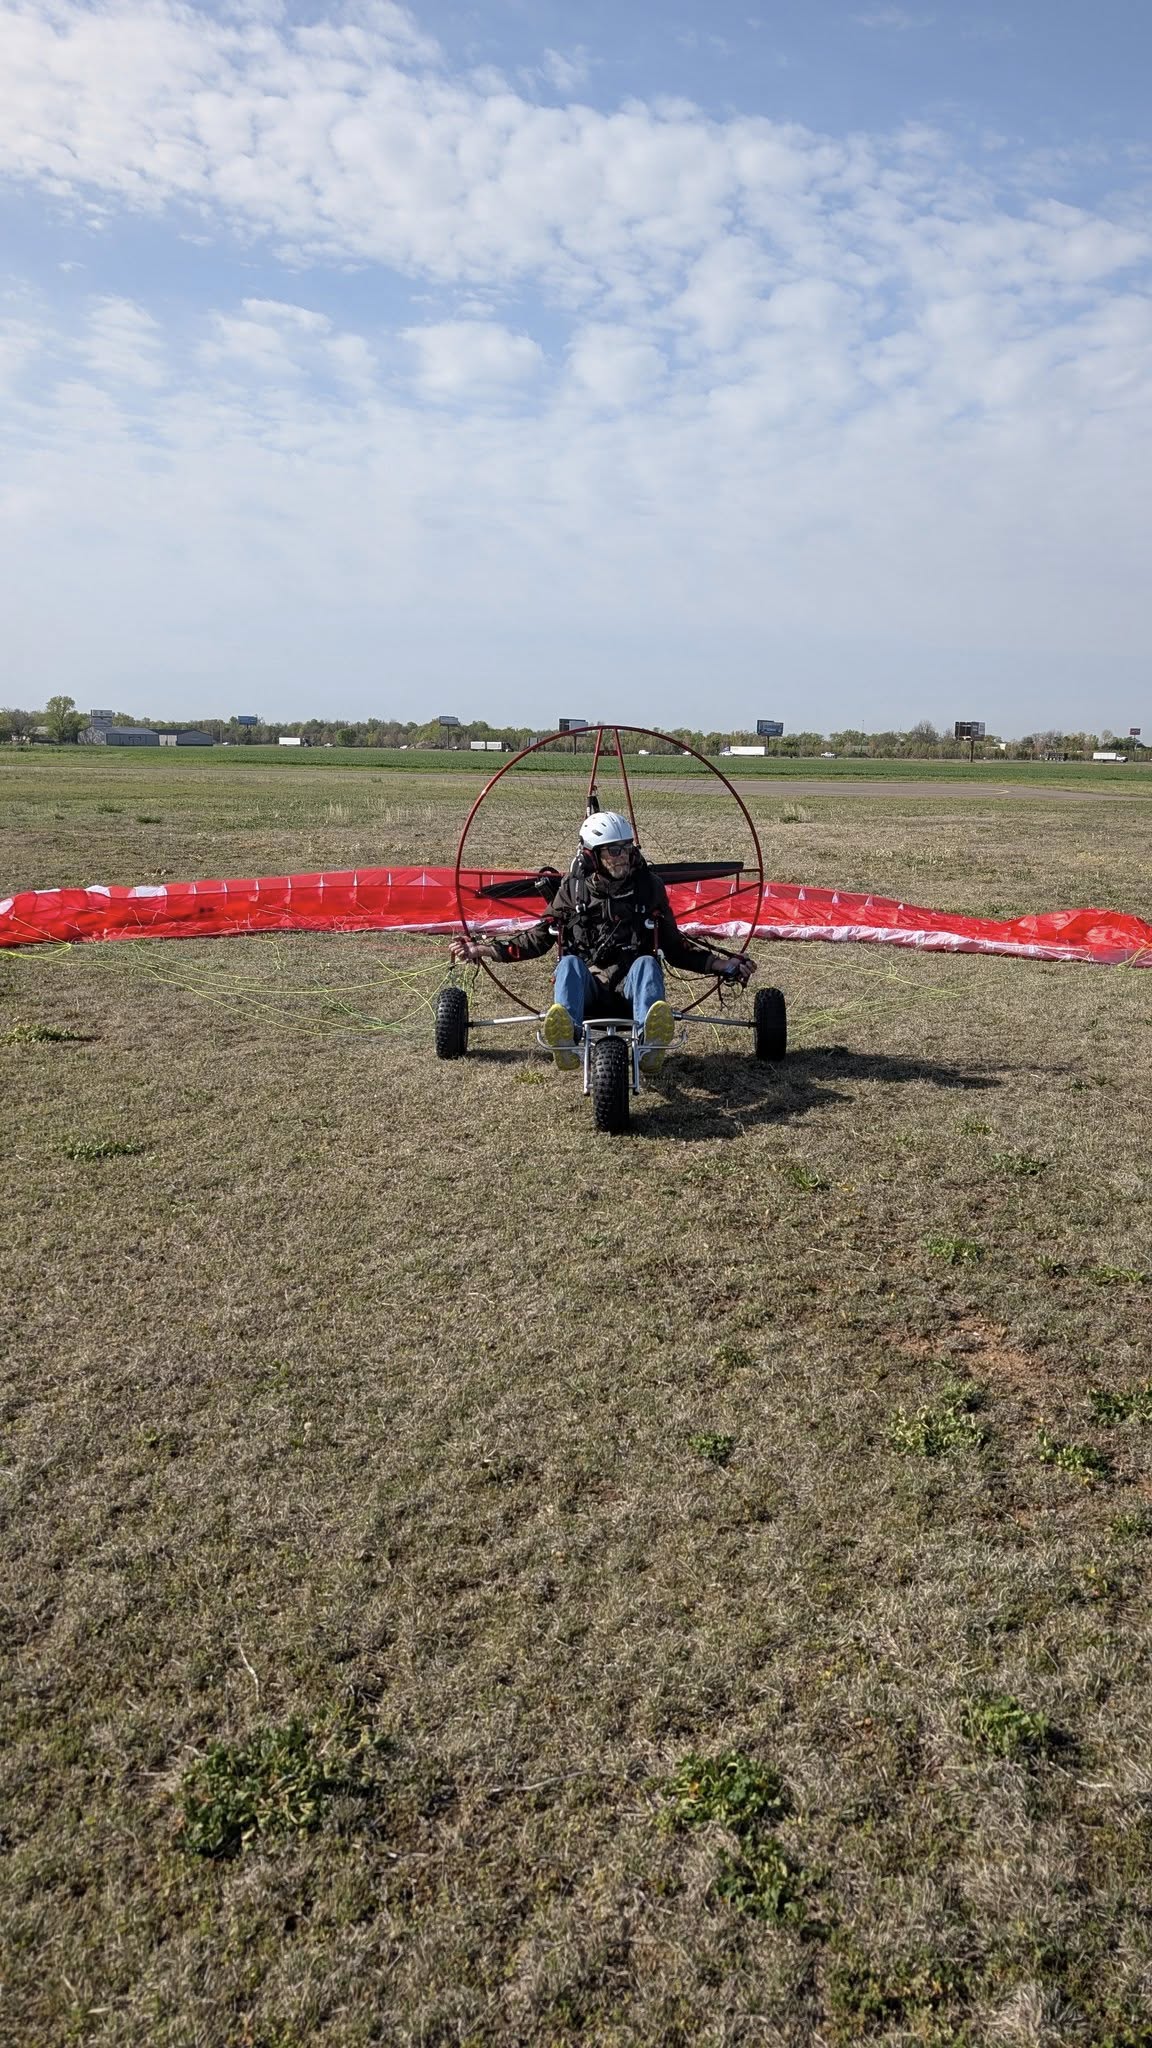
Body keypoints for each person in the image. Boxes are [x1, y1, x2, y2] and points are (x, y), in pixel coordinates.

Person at [450, 810, 755, 1074]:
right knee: (568, 963)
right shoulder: (573, 889)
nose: (622, 857)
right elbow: (540, 938)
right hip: (590, 988)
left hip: (632, 989)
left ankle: (651, 1044)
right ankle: (566, 1039)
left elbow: (675, 947)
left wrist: (722, 964)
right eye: (613, 851)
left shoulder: (649, 888)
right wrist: (485, 949)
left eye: (626, 848)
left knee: (648, 962)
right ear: (591, 856)